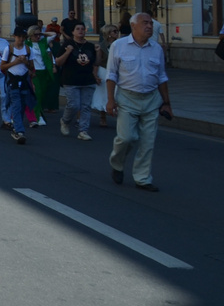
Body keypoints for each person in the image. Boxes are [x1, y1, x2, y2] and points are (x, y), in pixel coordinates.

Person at [106, 13, 172, 192]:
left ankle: (142, 178)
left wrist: (167, 102)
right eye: (145, 23)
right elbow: (111, 74)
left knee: (148, 142)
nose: (150, 26)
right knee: (126, 138)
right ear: (133, 26)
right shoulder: (118, 46)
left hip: (151, 99)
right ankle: (117, 164)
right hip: (127, 98)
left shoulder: (156, 48)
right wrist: (110, 100)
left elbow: (161, 77)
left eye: (151, 23)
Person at [55, 22, 100, 141]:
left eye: (82, 29)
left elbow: (96, 62)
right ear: (73, 32)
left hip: (87, 80)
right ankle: (65, 121)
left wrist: (98, 51)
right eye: (77, 29)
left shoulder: (90, 46)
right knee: (74, 105)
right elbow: (58, 62)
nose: (80, 31)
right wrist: (68, 52)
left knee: (86, 106)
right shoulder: (67, 44)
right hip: (71, 80)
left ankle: (83, 130)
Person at [0, 27, 38, 144]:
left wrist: (26, 62)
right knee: (16, 104)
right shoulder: (9, 49)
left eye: (23, 37)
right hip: (13, 80)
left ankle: (17, 128)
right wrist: (15, 62)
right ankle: (20, 131)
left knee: (22, 105)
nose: (21, 39)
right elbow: (2, 67)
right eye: (19, 37)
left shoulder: (28, 49)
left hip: (24, 80)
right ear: (14, 36)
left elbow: (32, 68)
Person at [28, 24, 58, 127]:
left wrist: (42, 33)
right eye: (35, 35)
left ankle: (36, 112)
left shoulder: (43, 42)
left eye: (38, 34)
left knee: (42, 94)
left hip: (44, 71)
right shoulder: (27, 44)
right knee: (38, 93)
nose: (38, 37)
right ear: (31, 35)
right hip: (34, 72)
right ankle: (37, 116)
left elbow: (54, 34)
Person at [91, 24, 121, 127]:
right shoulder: (103, 46)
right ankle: (102, 116)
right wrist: (95, 75)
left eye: (117, 31)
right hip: (104, 71)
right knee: (104, 94)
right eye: (114, 31)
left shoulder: (121, 44)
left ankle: (120, 118)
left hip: (118, 72)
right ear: (108, 34)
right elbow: (98, 61)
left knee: (118, 95)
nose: (117, 33)